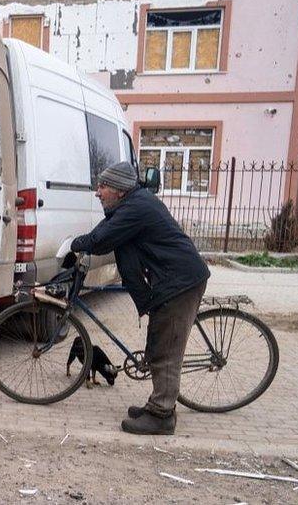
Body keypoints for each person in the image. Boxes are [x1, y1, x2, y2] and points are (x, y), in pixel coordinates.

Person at [70, 161, 210, 436]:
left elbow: (101, 239)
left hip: (178, 282)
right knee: (159, 344)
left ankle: (162, 415)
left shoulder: (136, 207)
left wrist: (74, 244)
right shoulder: (130, 204)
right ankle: (156, 403)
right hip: (171, 278)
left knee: (165, 351)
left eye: (103, 186)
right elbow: (106, 230)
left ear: (120, 190)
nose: (98, 192)